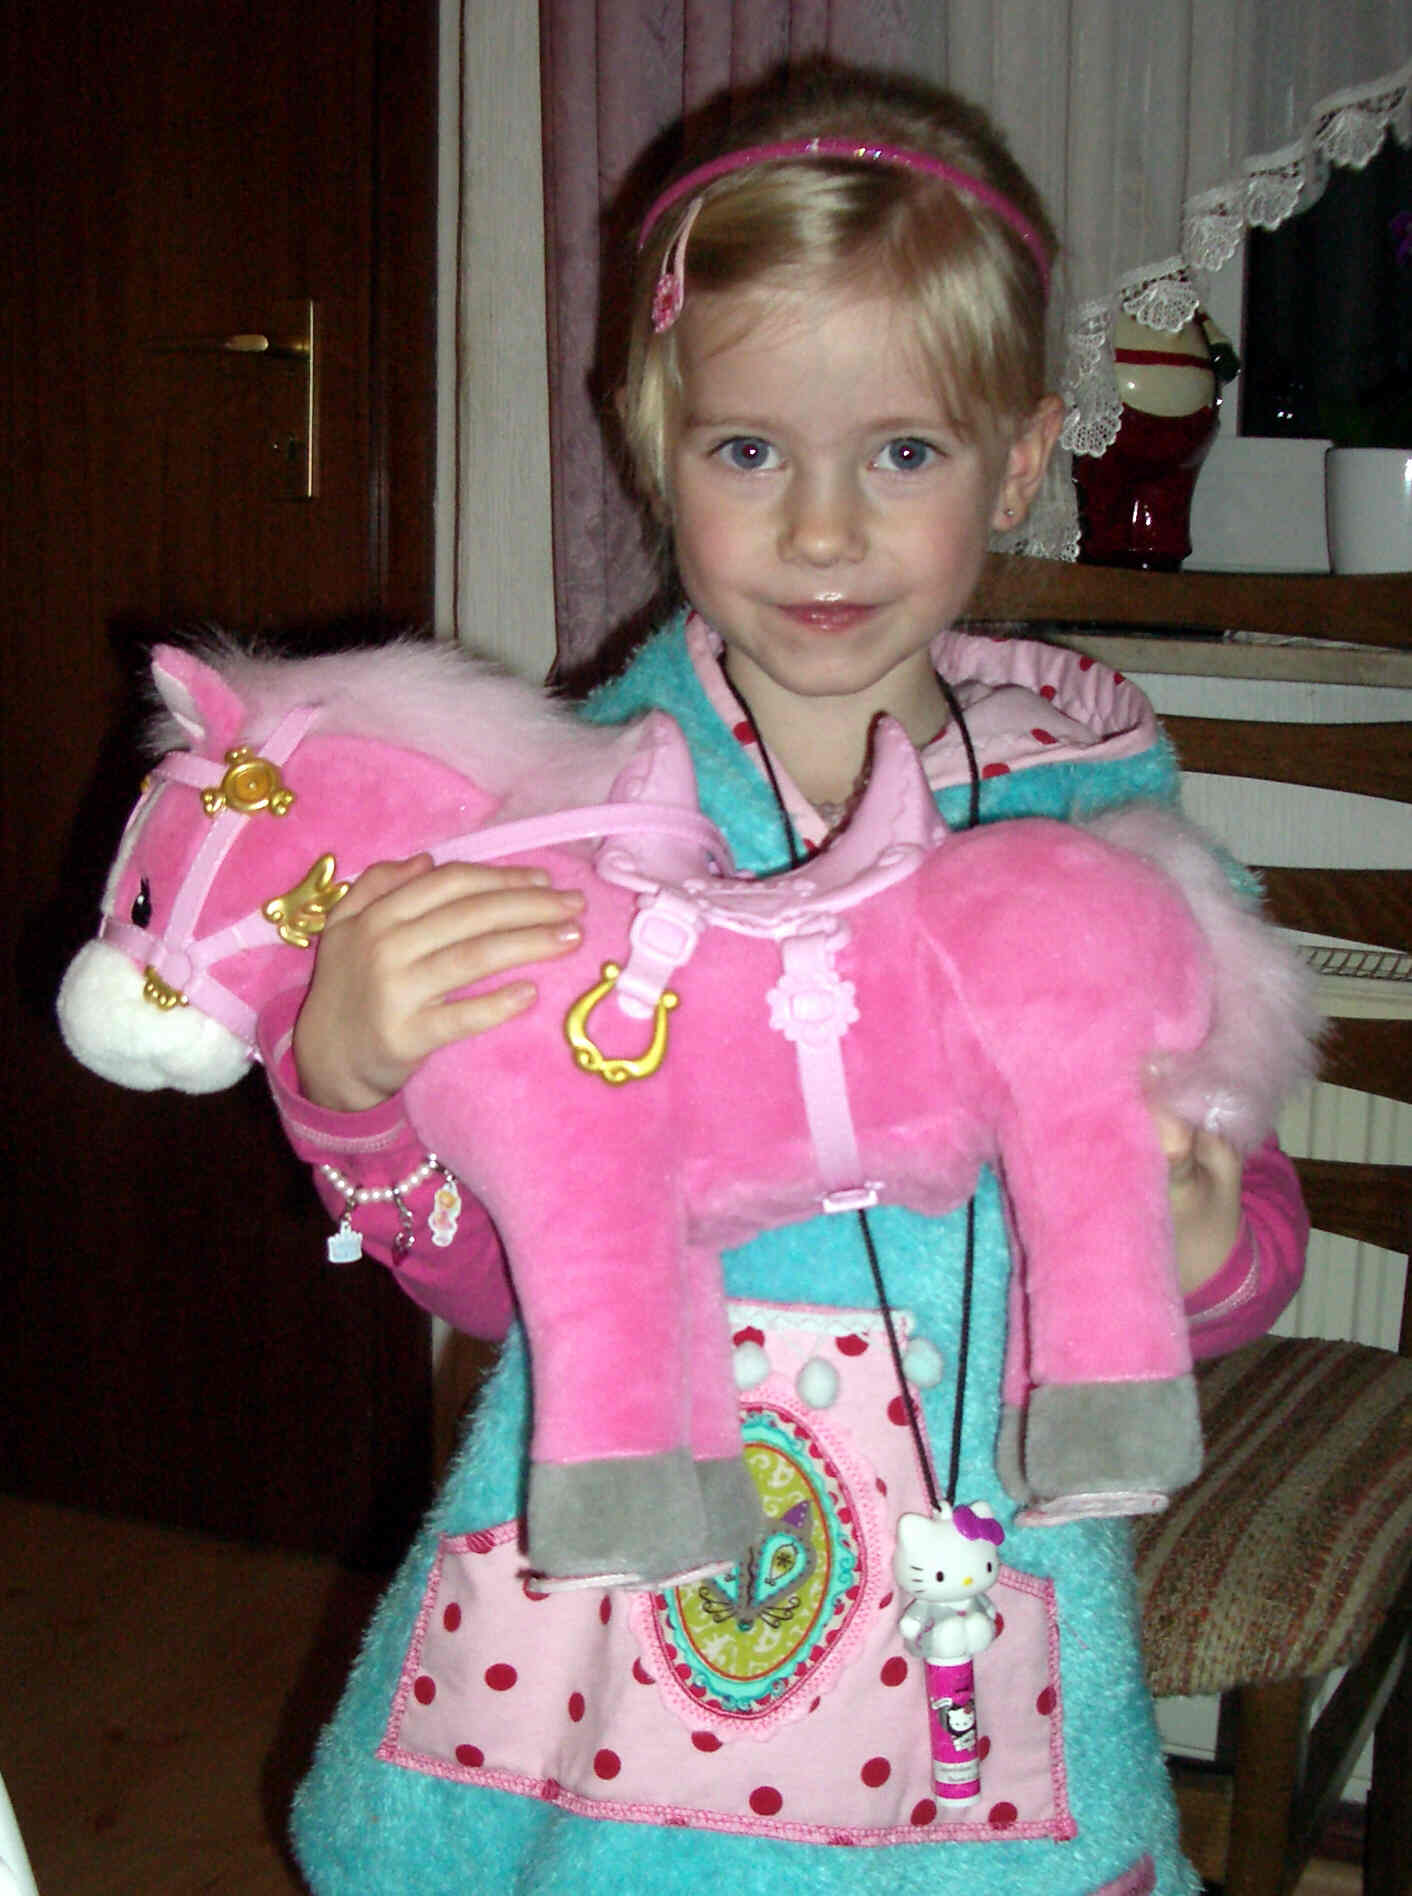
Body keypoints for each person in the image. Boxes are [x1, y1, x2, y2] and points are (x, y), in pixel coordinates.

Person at [268, 63, 1307, 1896]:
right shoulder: (562, 837)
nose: (823, 531)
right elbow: (498, 1283)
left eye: (903, 454)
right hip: (616, 1631)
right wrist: (345, 1091)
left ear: (1022, 456)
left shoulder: (1104, 855)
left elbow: (1234, 1266)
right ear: (654, 442)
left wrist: (1204, 1237)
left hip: (959, 1610)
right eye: (749, 452)